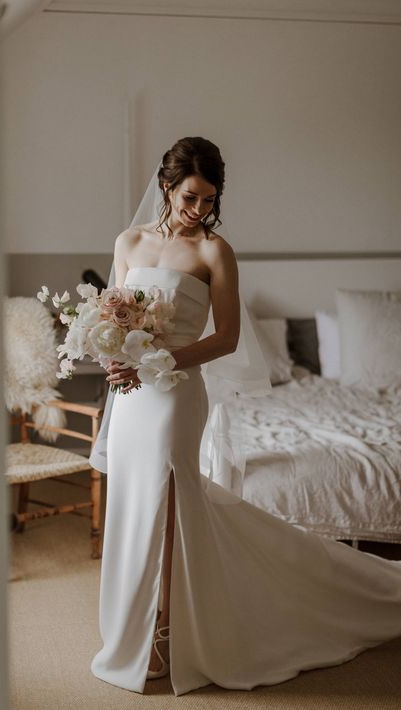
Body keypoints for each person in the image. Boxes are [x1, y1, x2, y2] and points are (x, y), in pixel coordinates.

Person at [89, 137, 401, 697]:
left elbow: (227, 339)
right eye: (189, 197)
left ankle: (163, 631)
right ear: (167, 186)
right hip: (134, 396)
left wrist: (159, 359)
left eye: (209, 200)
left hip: (176, 395)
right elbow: (111, 314)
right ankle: (128, 627)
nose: (198, 210)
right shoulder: (128, 241)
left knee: (167, 504)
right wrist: (116, 358)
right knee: (133, 502)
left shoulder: (215, 252)